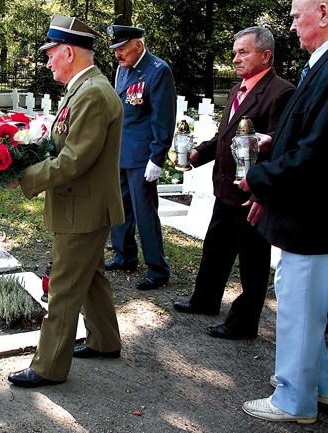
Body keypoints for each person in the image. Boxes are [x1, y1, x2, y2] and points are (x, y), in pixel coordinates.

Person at [7, 14, 125, 387]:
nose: (47, 62)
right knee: (90, 277)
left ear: (69, 52)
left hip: (82, 208)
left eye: (51, 54)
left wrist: (27, 176)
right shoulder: (85, 88)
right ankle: (105, 341)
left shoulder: (91, 93)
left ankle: (47, 367)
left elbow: (75, 159)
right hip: (86, 205)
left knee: (63, 287)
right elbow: (65, 144)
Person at [172, 27, 295, 340]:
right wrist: (198, 153)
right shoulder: (240, 88)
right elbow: (225, 136)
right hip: (225, 188)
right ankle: (205, 300)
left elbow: (277, 146)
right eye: (235, 51)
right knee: (216, 247)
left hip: (251, 193)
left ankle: (243, 322)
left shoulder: (280, 92)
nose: (235, 58)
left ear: (266, 55)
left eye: (244, 52)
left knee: (253, 260)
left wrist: (261, 191)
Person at [240, 0, 328, 424]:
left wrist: (259, 179)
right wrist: (276, 140)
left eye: (297, 15)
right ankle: (323, 386)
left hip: (310, 219)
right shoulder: (318, 65)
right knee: (313, 309)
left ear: (324, 13)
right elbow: (309, 130)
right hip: (308, 215)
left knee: (300, 310)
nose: (290, 25)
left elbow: (317, 153)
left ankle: (294, 400)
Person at [104, 25, 176, 291]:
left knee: (145, 213)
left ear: (137, 44)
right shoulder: (123, 69)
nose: (117, 55)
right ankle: (124, 256)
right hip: (121, 152)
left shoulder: (158, 71)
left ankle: (157, 269)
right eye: (115, 50)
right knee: (119, 208)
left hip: (143, 156)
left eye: (122, 48)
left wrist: (157, 157)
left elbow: (163, 118)